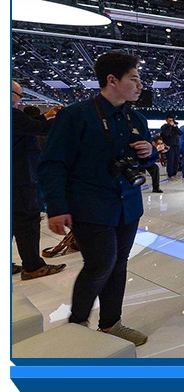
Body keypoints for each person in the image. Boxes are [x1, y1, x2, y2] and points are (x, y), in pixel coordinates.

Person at [38, 51, 157, 346]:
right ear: (112, 80)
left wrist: (149, 152)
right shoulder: (75, 116)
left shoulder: (136, 119)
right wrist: (56, 206)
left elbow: (142, 161)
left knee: (119, 264)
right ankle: (77, 325)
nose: (140, 85)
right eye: (134, 78)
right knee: (100, 263)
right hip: (90, 205)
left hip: (128, 204)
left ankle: (111, 323)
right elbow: (53, 163)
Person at [12, 80, 66, 279]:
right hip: (20, 177)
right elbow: (40, 128)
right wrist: (64, 117)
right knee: (27, 221)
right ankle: (33, 266)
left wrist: (47, 115)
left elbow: (28, 125)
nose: (20, 99)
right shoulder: (11, 114)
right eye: (19, 95)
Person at [160, 114, 182, 180]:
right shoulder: (164, 127)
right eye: (169, 120)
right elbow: (166, 134)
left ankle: (175, 173)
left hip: (176, 145)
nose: (171, 121)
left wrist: (175, 127)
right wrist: (170, 126)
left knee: (176, 160)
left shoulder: (174, 127)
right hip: (169, 146)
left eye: (172, 120)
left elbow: (180, 133)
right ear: (166, 120)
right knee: (170, 160)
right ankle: (170, 174)